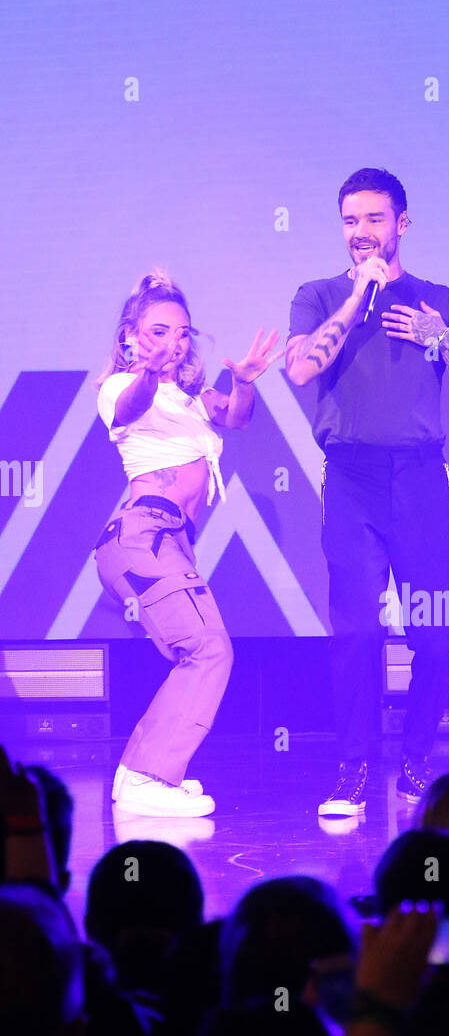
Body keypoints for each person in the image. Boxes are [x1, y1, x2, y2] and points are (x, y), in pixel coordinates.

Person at [287, 168, 449, 816]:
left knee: (437, 633)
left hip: (420, 481)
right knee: (355, 632)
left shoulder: (439, 301)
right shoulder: (320, 295)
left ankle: (416, 758)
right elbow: (299, 367)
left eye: (374, 219)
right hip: (351, 479)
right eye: (350, 220)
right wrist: (357, 301)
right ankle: (353, 767)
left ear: (401, 223)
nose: (361, 233)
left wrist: (446, 339)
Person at [94, 271, 281, 816]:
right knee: (208, 650)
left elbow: (238, 417)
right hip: (142, 537)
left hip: (170, 542)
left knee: (199, 651)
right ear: (131, 334)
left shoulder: (191, 398)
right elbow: (130, 406)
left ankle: (140, 776)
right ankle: (151, 775)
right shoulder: (120, 387)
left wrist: (245, 380)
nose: (173, 343)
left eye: (182, 333)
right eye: (158, 331)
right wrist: (146, 371)